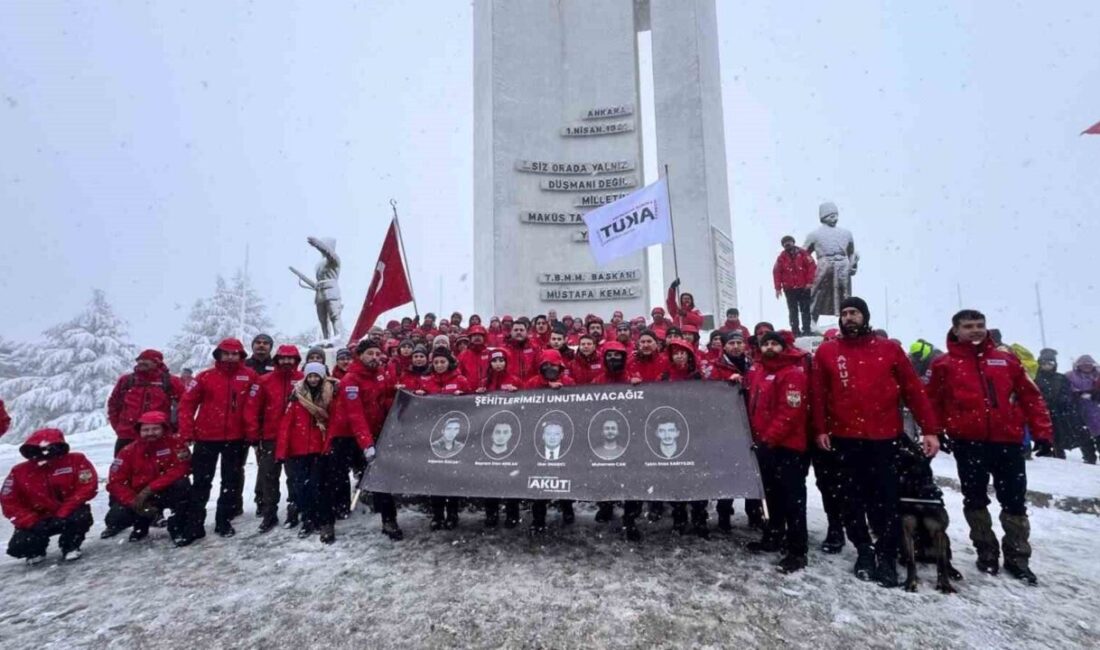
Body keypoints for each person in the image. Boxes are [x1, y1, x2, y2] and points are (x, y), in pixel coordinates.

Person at [812, 297, 939, 588]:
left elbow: (913, 390)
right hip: (844, 439)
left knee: (886, 500)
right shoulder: (828, 352)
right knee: (851, 499)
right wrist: (821, 428)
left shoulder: (889, 349)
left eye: (854, 312)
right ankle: (864, 551)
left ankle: (886, 553)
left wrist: (930, 429)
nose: (849, 317)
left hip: (884, 439)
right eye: (844, 313)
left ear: (865, 316)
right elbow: (819, 395)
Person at [927, 310, 1054, 585]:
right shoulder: (944, 365)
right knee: (974, 499)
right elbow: (933, 402)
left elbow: (1030, 397)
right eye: (968, 326)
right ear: (956, 330)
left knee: (1015, 502)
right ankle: (986, 551)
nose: (975, 330)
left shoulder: (1006, 360)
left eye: (980, 325)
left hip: (1007, 441)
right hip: (968, 442)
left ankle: (1018, 557)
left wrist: (1042, 432)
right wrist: (936, 430)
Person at [178, 338, 259, 539]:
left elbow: (254, 406)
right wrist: (187, 432)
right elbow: (187, 404)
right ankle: (195, 524)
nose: (230, 357)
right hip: (207, 437)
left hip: (236, 438)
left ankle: (223, 521)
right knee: (201, 482)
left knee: (231, 482)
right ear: (219, 355)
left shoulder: (250, 376)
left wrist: (252, 433)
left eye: (235, 354)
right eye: (226, 353)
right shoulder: (205, 377)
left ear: (241, 356)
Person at [744, 332, 810, 573]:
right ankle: (773, 535)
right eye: (766, 344)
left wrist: (769, 439)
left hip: (787, 448)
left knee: (793, 499)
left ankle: (797, 550)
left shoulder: (792, 373)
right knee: (771, 497)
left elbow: (790, 413)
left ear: (783, 347)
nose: (770, 347)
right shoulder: (760, 371)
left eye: (774, 343)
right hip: (765, 446)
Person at [2, 428, 98, 564]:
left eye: (49, 448)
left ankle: (70, 546)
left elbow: (87, 486)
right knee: (19, 546)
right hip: (38, 518)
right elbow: (9, 502)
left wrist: (63, 512)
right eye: (39, 449)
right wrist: (31, 521)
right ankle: (36, 551)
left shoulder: (76, 460)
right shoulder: (19, 471)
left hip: (67, 514)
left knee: (80, 517)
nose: (44, 453)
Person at [277, 362, 347, 541]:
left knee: (321, 487)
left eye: (317, 376)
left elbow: (334, 422)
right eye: (310, 376)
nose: (314, 379)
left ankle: (324, 520)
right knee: (302, 487)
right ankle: (308, 519)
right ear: (306, 377)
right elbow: (286, 426)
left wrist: (330, 444)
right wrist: (281, 452)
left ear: (323, 377)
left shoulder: (331, 395)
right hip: (299, 449)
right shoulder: (297, 397)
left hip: (321, 448)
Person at [704, 330, 766, 532]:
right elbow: (708, 391)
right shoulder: (716, 367)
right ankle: (724, 513)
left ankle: (754, 512)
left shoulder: (754, 366)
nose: (736, 346)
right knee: (727, 473)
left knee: (753, 471)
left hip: (751, 426)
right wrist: (726, 384)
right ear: (725, 346)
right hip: (726, 428)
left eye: (740, 343)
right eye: (732, 343)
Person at [331, 340, 396, 528]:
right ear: (359, 356)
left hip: (373, 432)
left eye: (377, 354)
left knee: (381, 476)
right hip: (347, 435)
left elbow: (385, 399)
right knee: (339, 475)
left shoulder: (381, 375)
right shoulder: (350, 380)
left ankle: (388, 520)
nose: (375, 357)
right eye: (370, 354)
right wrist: (367, 444)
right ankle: (337, 512)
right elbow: (355, 415)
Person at [104, 411, 193, 546]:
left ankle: (178, 528)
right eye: (146, 430)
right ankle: (141, 524)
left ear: (164, 429)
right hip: (139, 496)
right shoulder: (128, 451)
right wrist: (134, 501)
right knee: (115, 518)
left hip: (166, 491)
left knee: (183, 485)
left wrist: (151, 488)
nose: (150, 433)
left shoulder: (176, 445)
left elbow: (182, 469)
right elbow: (116, 482)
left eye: (155, 429)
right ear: (139, 431)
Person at [243, 345, 303, 533]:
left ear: (296, 360)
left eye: (290, 358)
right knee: (269, 476)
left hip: (295, 437)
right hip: (270, 437)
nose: (287, 361)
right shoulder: (264, 381)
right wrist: (253, 434)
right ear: (277, 360)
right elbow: (252, 409)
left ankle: (294, 510)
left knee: (294, 476)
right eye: (283, 358)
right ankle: (269, 513)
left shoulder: (302, 380)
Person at [591, 341, 642, 538]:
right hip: (604, 435)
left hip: (628, 434)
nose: (614, 359)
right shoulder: (597, 381)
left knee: (630, 477)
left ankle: (630, 517)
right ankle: (605, 507)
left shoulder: (633, 379)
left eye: (618, 356)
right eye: (609, 356)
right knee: (603, 474)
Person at [661, 339, 708, 537]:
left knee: (698, 478)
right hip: (674, 432)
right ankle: (679, 517)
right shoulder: (664, 377)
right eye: (676, 353)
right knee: (676, 478)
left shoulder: (700, 377)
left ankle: (699, 517)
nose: (679, 356)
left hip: (697, 432)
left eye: (683, 353)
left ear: (690, 355)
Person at [525, 350, 576, 533]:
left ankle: (567, 509)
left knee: (564, 475)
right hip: (539, 438)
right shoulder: (532, 383)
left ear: (560, 366)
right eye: (545, 365)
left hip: (563, 436)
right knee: (539, 478)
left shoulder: (569, 383)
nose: (549, 368)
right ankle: (538, 517)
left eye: (553, 365)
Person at [419, 349, 470, 530]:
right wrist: (418, 397)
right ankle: (437, 514)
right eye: (436, 362)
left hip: (455, 436)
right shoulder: (426, 382)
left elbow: (473, 406)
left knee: (452, 477)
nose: (439, 365)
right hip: (434, 437)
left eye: (443, 362)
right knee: (435, 477)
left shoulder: (460, 380)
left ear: (449, 362)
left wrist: (462, 397)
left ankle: (453, 513)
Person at [107, 348, 185, 456]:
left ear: (157, 362)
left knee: (160, 469)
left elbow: (185, 406)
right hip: (127, 435)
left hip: (159, 436)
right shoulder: (126, 380)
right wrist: (119, 427)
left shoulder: (171, 382)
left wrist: (175, 429)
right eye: (139, 360)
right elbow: (113, 405)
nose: (141, 363)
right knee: (123, 469)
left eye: (146, 360)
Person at [479, 349, 522, 528]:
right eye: (494, 360)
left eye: (501, 360)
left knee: (511, 475)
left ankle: (512, 513)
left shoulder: (515, 380)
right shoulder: (484, 383)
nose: (498, 364)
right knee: (490, 475)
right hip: (489, 434)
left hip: (510, 433)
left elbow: (527, 402)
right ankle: (491, 513)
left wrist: (517, 392)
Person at [1035, 349, 1092, 461]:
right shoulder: (1037, 380)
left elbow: (1067, 392)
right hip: (1045, 412)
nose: (1047, 366)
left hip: (1061, 412)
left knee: (1069, 433)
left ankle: (1087, 456)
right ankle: (1053, 454)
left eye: (1050, 363)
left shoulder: (1061, 378)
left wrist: (1063, 400)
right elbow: (1034, 395)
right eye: (1044, 363)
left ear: (1055, 364)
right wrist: (1044, 404)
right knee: (1049, 435)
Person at [772, 236, 816, 336]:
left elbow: (812, 266)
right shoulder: (781, 258)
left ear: (793, 242)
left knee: (805, 309)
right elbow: (776, 272)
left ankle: (806, 330)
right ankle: (795, 331)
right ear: (783, 245)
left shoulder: (803, 253)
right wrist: (778, 288)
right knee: (793, 311)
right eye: (785, 243)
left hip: (804, 287)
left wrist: (810, 282)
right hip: (789, 289)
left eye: (789, 241)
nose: (787, 244)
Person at [1066, 354, 1100, 463]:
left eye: (1089, 365)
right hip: (1077, 410)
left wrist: (1095, 395)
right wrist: (1076, 394)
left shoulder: (1097, 375)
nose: (1086, 367)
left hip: (1096, 410)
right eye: (1083, 365)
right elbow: (1066, 389)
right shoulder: (1070, 375)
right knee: (1083, 435)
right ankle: (1089, 457)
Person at [504, 318, 540, 382]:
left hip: (532, 388)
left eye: (521, 330)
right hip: (512, 387)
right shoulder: (504, 350)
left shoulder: (535, 348)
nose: (518, 332)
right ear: (511, 332)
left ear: (526, 332)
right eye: (516, 330)